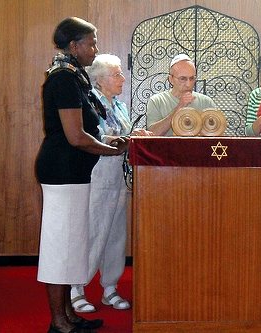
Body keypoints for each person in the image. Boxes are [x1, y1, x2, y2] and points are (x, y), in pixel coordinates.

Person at [35, 17, 130, 333]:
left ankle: (69, 315)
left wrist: (106, 140)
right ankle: (59, 323)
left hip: (74, 172)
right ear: (73, 46)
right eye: (91, 43)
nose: (95, 48)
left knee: (72, 245)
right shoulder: (63, 78)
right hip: (62, 171)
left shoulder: (75, 77)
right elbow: (75, 137)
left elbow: (87, 131)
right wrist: (110, 149)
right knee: (58, 249)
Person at [70, 54, 153, 313]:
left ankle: (109, 288)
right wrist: (124, 138)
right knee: (93, 232)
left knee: (116, 234)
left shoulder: (119, 105)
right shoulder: (90, 103)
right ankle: (76, 288)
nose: (122, 78)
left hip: (119, 176)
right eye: (116, 74)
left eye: (120, 73)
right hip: (99, 174)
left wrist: (134, 135)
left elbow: (121, 135)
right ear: (100, 80)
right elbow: (95, 137)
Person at [146, 54, 216, 135]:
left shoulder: (206, 102)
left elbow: (218, 137)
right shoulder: (157, 101)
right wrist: (179, 107)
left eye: (192, 78)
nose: (188, 84)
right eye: (183, 79)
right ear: (171, 79)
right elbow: (152, 135)